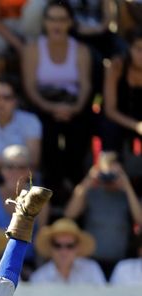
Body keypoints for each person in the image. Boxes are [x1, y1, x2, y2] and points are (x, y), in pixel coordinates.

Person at [21, 1, 93, 199]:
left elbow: (85, 85)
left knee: (80, 131)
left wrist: (75, 107)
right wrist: (51, 107)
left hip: (73, 105)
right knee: (46, 133)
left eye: (62, 20)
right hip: (43, 105)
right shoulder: (32, 49)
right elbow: (30, 87)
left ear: (70, 22)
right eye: (52, 19)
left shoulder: (81, 50)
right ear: (45, 22)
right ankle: (52, 188)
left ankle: (77, 186)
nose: (57, 25)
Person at [63, 151, 142, 276]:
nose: (110, 177)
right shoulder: (91, 192)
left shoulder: (127, 195)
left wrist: (127, 187)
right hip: (91, 263)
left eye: (114, 173)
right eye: (106, 172)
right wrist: (87, 181)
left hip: (120, 263)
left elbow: (140, 220)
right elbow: (69, 214)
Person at [102, 30, 142, 158]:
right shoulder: (117, 66)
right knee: (110, 128)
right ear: (129, 48)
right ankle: (111, 173)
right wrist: (136, 126)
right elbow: (109, 110)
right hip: (117, 119)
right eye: (139, 49)